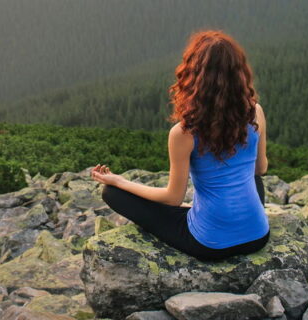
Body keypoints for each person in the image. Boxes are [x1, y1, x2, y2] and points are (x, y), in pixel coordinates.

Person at [91, 29, 270, 260]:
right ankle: (235, 218)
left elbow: (173, 198)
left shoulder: (184, 132)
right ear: (239, 73)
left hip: (210, 244)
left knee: (112, 193)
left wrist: (120, 181)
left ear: (193, 76)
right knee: (248, 178)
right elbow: (261, 169)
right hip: (257, 236)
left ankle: (207, 217)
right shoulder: (255, 112)